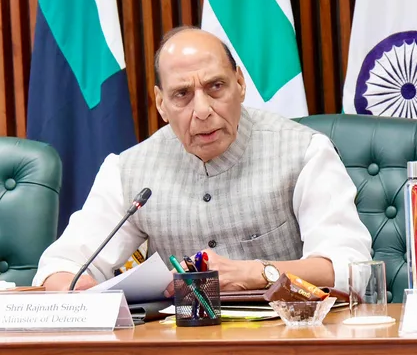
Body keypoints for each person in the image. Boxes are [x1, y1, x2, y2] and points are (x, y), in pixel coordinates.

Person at [34, 27, 371, 292]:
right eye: (182, 94)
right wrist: (77, 292)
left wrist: (257, 273)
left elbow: (351, 269)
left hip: (289, 341)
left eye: (215, 87)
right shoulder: (128, 170)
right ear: (161, 104)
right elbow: (62, 265)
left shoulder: (304, 151)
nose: (203, 110)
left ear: (240, 83)